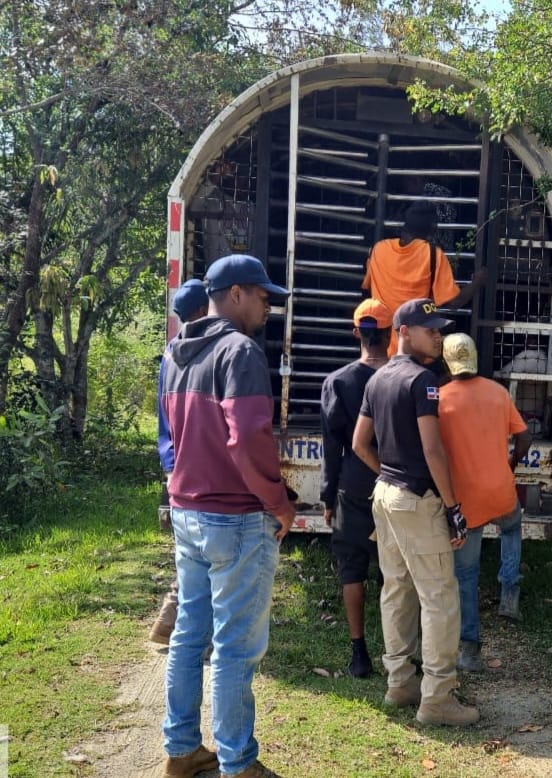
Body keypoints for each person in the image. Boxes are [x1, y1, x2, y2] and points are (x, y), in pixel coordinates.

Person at [161, 254, 295, 778]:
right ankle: (238, 764)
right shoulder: (240, 352)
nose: (268, 307)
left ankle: (181, 752)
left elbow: (174, 432)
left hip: (187, 511)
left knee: (189, 637)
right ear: (236, 293)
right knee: (235, 649)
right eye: (263, 297)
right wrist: (279, 502)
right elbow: (248, 438)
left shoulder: (176, 352)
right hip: (236, 518)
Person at [351, 298, 480, 727]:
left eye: (440, 329)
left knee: (397, 591)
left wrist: (388, 474)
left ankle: (400, 682)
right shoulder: (423, 380)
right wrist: (452, 506)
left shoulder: (378, 378)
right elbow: (432, 448)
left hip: (384, 495)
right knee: (440, 599)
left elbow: (359, 445)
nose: (438, 335)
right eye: (430, 329)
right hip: (416, 498)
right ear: (404, 331)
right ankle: (438, 698)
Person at [438, 333, 532, 672]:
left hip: (467, 501)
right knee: (511, 529)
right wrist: (509, 465)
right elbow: (525, 436)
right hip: (501, 491)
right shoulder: (498, 392)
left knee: (466, 573)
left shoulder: (440, 400)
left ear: (447, 360)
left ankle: (470, 650)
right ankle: (509, 596)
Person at [319, 298, 392, 679]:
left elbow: (332, 445)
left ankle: (359, 653)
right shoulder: (404, 376)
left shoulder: (338, 382)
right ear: (390, 334)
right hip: (396, 485)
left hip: (353, 485)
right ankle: (398, 653)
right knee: (394, 572)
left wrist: (328, 495)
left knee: (352, 570)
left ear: (356, 334)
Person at [149, 279, 210, 646]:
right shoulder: (202, 350)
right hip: (198, 462)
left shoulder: (172, 352)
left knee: (190, 548)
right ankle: (187, 628)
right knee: (206, 551)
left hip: (175, 460)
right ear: (204, 311)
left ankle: (169, 619)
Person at [360, 200, 482, 355]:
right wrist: (478, 282)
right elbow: (454, 302)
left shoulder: (378, 250)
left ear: (404, 225)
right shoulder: (433, 255)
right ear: (433, 228)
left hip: (380, 348)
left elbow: (367, 288)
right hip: (415, 349)